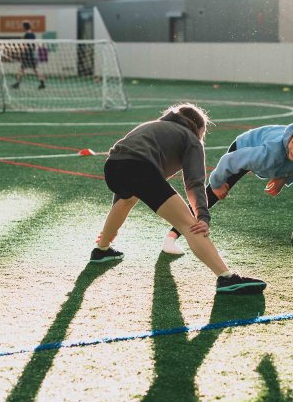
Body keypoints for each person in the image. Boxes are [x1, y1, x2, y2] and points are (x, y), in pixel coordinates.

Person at [92, 103, 266, 295]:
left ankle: (102, 249)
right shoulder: (191, 138)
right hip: (139, 169)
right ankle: (226, 277)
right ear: (198, 128)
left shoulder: (151, 126)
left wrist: (111, 230)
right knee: (189, 225)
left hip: (112, 167)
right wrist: (202, 216)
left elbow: (125, 180)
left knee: (127, 199)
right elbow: (194, 183)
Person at [163, 121, 293, 255]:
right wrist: (216, 184)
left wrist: (283, 178)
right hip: (245, 147)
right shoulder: (271, 152)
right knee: (211, 195)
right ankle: (171, 236)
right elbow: (229, 161)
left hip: (274, 163)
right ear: (292, 136)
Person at [10, 21, 46, 90]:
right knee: (34, 69)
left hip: (27, 55)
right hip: (31, 54)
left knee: (22, 69)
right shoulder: (33, 34)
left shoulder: (27, 35)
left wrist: (20, 50)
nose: (22, 28)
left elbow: (25, 45)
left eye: (23, 26)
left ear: (24, 27)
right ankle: (42, 83)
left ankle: (17, 84)